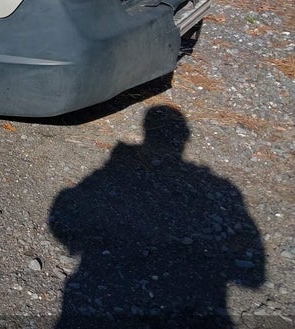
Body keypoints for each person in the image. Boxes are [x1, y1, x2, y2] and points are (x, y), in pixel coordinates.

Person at [49, 105, 265, 328]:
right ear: (185, 137)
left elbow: (62, 215)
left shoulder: (111, 171)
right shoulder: (220, 189)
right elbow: (253, 277)